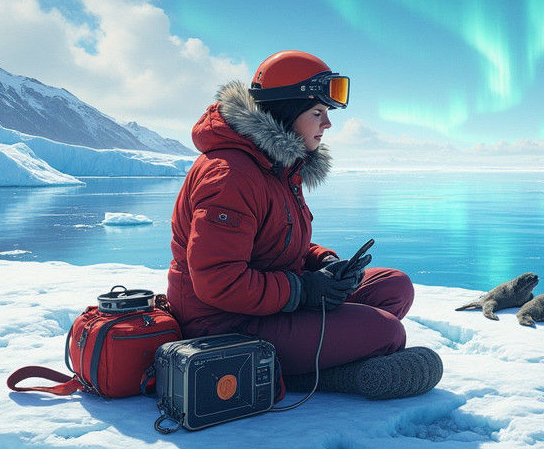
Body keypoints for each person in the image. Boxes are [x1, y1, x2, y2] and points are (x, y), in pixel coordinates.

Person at [167, 50, 442, 399]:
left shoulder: (276, 166)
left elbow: (276, 241)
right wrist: (305, 290)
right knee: (386, 332)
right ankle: (310, 375)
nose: (327, 124)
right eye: (317, 113)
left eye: (327, 114)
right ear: (285, 112)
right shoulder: (231, 174)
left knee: (395, 287)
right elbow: (218, 283)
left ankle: (314, 361)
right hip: (223, 322)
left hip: (268, 304)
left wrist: (324, 263)